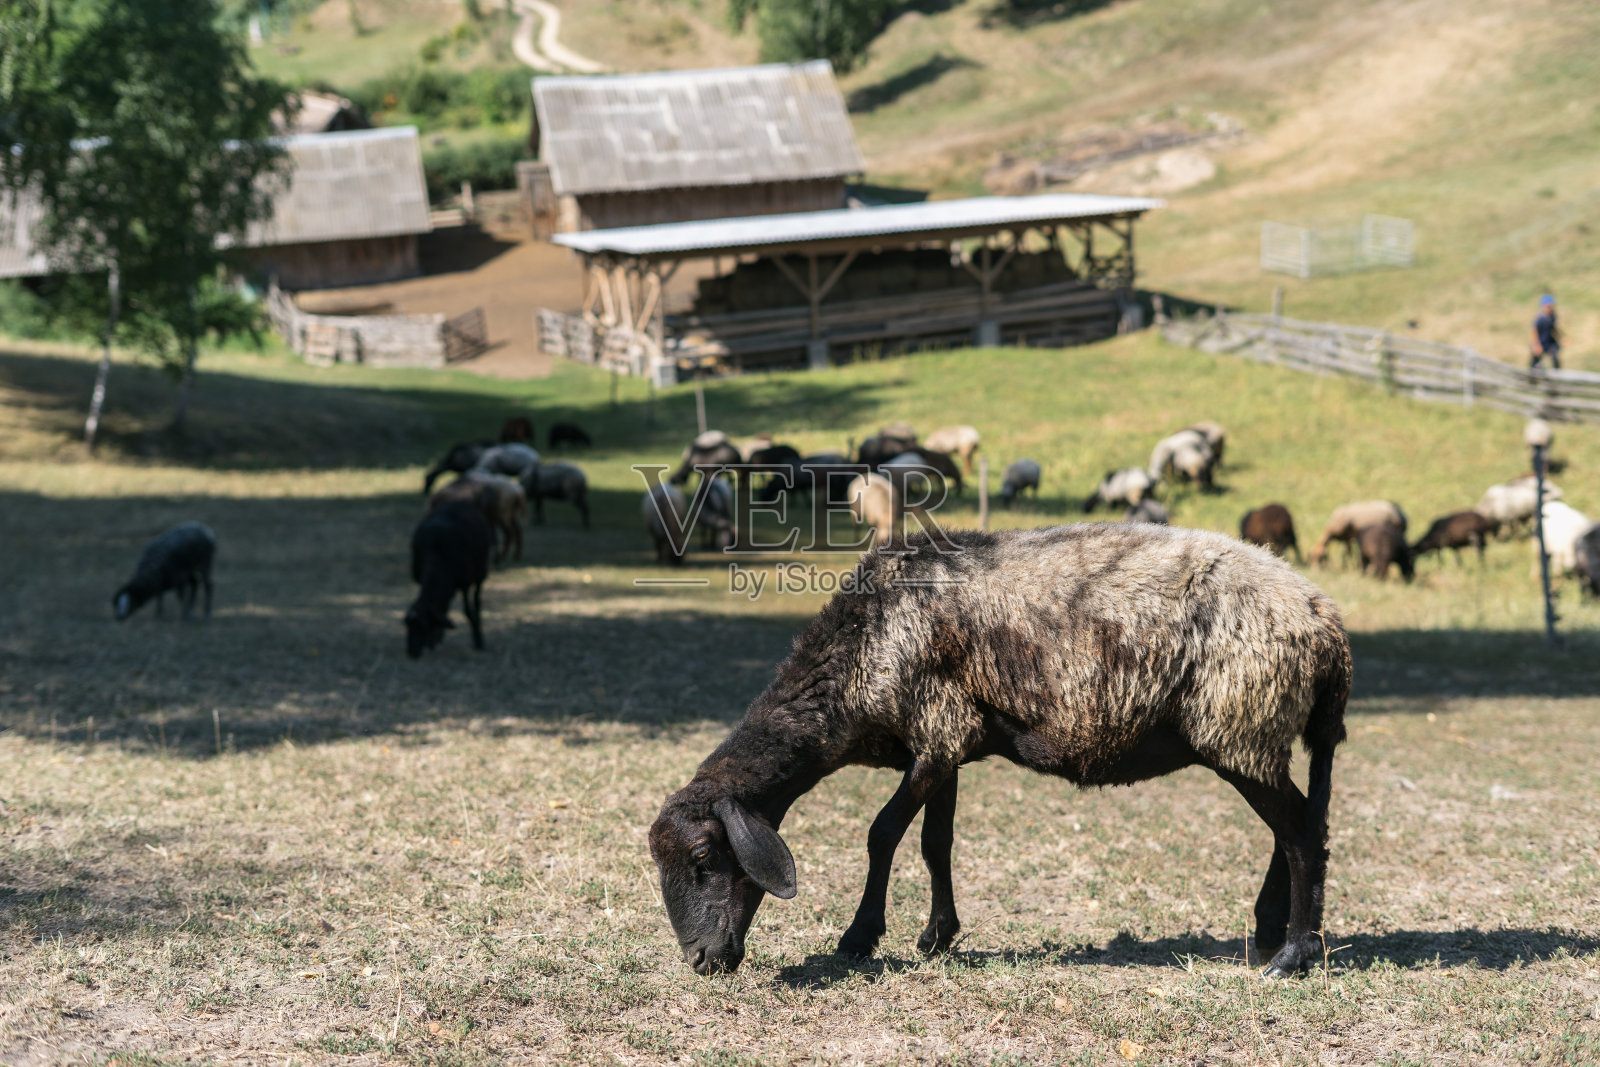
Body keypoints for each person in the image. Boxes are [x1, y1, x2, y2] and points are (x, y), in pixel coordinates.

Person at [1530, 294, 1561, 370]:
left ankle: (1557, 375)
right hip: (1540, 342)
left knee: (1555, 357)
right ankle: (1530, 376)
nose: (1548, 308)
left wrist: (1561, 338)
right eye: (1547, 306)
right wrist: (1536, 345)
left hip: (1549, 343)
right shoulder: (1540, 318)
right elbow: (1534, 331)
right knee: (1535, 362)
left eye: (1550, 306)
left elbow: (1553, 329)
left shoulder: (1553, 316)